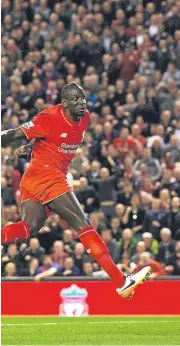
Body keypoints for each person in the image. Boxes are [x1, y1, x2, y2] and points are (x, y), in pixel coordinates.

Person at [1, 82, 151, 299]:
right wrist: (26, 143)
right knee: (83, 225)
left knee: (29, 227)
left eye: (83, 98)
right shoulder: (50, 117)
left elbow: (51, 138)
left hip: (35, 178)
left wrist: (33, 147)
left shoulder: (86, 118)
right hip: (47, 177)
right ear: (64, 103)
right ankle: (121, 281)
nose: (81, 103)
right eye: (75, 99)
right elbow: (15, 134)